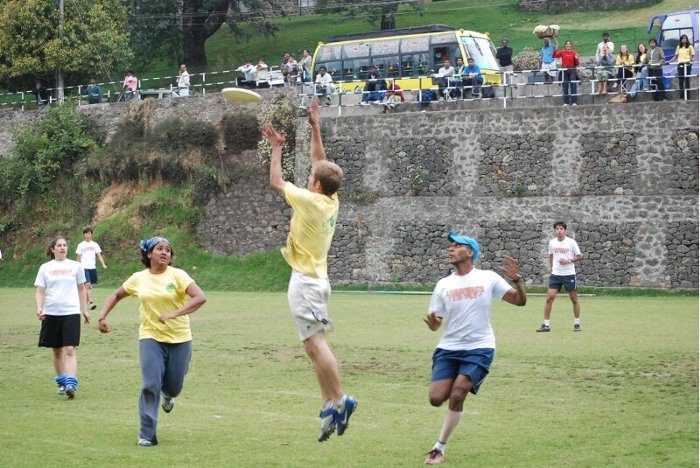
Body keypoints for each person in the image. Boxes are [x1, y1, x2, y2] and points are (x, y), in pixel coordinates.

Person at [261, 98, 356, 443]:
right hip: (316, 280)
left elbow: (276, 181)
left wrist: (276, 148)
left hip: (306, 282)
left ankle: (340, 398)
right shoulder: (330, 198)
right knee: (311, 345)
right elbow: (321, 161)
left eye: (311, 177)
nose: (309, 175)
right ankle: (329, 402)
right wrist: (315, 127)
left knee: (316, 345)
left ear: (316, 185)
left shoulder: (311, 200)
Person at [423, 231, 527, 465]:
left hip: (480, 347)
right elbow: (436, 322)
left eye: (457, 246)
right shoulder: (443, 284)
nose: (451, 249)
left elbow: (520, 301)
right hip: (448, 348)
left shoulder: (487, 278)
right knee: (435, 398)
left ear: (470, 252)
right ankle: (458, 388)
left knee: (458, 393)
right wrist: (433, 323)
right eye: (451, 246)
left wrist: (517, 280)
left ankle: (439, 448)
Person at [97, 236, 207, 447]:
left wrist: (174, 314)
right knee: (150, 385)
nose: (165, 252)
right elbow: (117, 295)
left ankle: (168, 396)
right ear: (149, 254)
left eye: (168, 249)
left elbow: (200, 298)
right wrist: (102, 316)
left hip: (180, 338)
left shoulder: (178, 275)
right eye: (159, 249)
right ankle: (147, 434)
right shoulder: (138, 278)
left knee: (174, 386)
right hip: (150, 337)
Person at [35, 235, 89, 399]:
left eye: (65, 245)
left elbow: (81, 288)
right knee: (57, 351)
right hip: (51, 312)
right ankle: (62, 382)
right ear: (53, 249)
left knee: (70, 349)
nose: (63, 248)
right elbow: (39, 291)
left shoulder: (76, 266)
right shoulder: (45, 267)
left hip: (71, 312)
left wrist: (84, 309)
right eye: (59, 245)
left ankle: (71, 384)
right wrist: (39, 307)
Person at [537, 222, 583, 333]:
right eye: (557, 229)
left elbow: (580, 256)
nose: (559, 231)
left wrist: (568, 261)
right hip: (556, 275)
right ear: (554, 231)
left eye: (561, 229)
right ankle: (546, 325)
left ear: (565, 231)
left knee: (574, 299)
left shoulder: (571, 242)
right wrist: (553, 269)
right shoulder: (552, 243)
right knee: (549, 298)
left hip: (569, 274)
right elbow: (551, 255)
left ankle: (577, 323)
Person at [76, 227, 107, 311]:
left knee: (89, 287)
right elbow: (78, 258)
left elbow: (99, 255)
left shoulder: (95, 244)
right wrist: (77, 268)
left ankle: (84, 305)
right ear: (83, 235)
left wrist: (103, 264)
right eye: (86, 233)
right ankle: (91, 302)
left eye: (89, 233)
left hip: (92, 268)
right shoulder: (81, 245)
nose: (87, 235)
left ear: (91, 234)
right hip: (83, 267)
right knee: (87, 285)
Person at [668, 34, 695, 100]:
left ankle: (688, 96)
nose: (684, 40)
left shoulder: (690, 46)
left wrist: (691, 58)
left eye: (685, 38)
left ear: (687, 39)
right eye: (682, 38)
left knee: (687, 81)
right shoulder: (678, 47)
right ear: (681, 40)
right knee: (681, 81)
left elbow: (692, 54)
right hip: (680, 65)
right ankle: (682, 96)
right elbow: (676, 56)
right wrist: (669, 61)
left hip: (687, 65)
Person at [553, 40, 580, 106]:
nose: (568, 45)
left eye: (569, 44)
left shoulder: (574, 53)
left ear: (571, 45)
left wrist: (576, 58)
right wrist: (555, 48)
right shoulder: (562, 52)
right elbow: (554, 56)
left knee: (573, 86)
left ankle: (574, 102)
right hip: (564, 72)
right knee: (565, 86)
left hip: (572, 71)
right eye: (567, 44)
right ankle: (566, 102)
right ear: (565, 45)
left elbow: (577, 63)